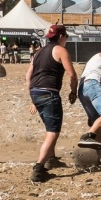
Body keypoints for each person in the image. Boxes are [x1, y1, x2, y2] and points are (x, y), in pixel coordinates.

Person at [26, 24, 78, 183]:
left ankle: (51, 159)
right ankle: (39, 169)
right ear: (61, 37)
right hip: (49, 93)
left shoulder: (39, 52)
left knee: (49, 128)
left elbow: (28, 76)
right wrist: (73, 92)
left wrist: (32, 98)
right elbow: (72, 75)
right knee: (53, 131)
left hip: (35, 92)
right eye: (66, 37)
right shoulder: (61, 50)